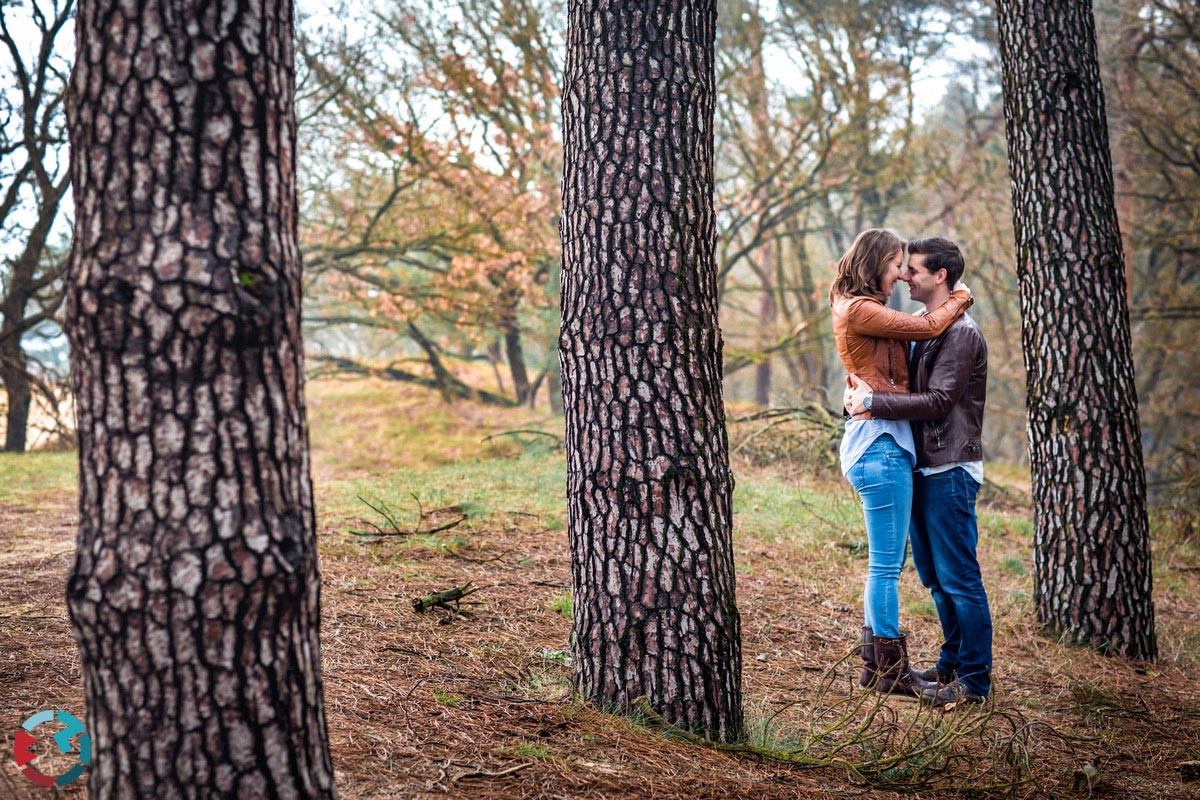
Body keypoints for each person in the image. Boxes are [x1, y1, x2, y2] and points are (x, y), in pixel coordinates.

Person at [845, 236, 992, 706]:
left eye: (914, 270)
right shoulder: (925, 327)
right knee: (933, 576)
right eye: (900, 267)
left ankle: (974, 681)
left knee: (959, 578)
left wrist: (870, 402)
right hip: (922, 465)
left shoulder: (961, 332)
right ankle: (951, 665)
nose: (905, 276)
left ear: (941, 277)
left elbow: (938, 401)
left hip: (950, 466)